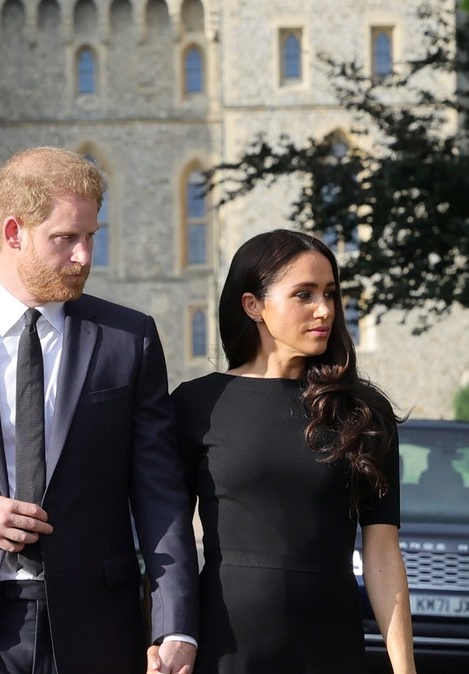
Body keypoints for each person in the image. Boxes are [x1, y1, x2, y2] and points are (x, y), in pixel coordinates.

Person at [0, 147, 199, 674]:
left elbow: (160, 491)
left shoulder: (129, 339)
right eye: (65, 239)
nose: (84, 257)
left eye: (91, 236)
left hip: (96, 626)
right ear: (12, 233)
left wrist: (175, 623)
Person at [152, 229, 415, 673]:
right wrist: (165, 634)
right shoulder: (196, 404)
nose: (324, 310)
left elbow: (383, 551)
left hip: (329, 644)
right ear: (253, 305)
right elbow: (165, 535)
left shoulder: (363, 412)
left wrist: (404, 669)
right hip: (223, 644)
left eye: (330, 294)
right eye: (304, 294)